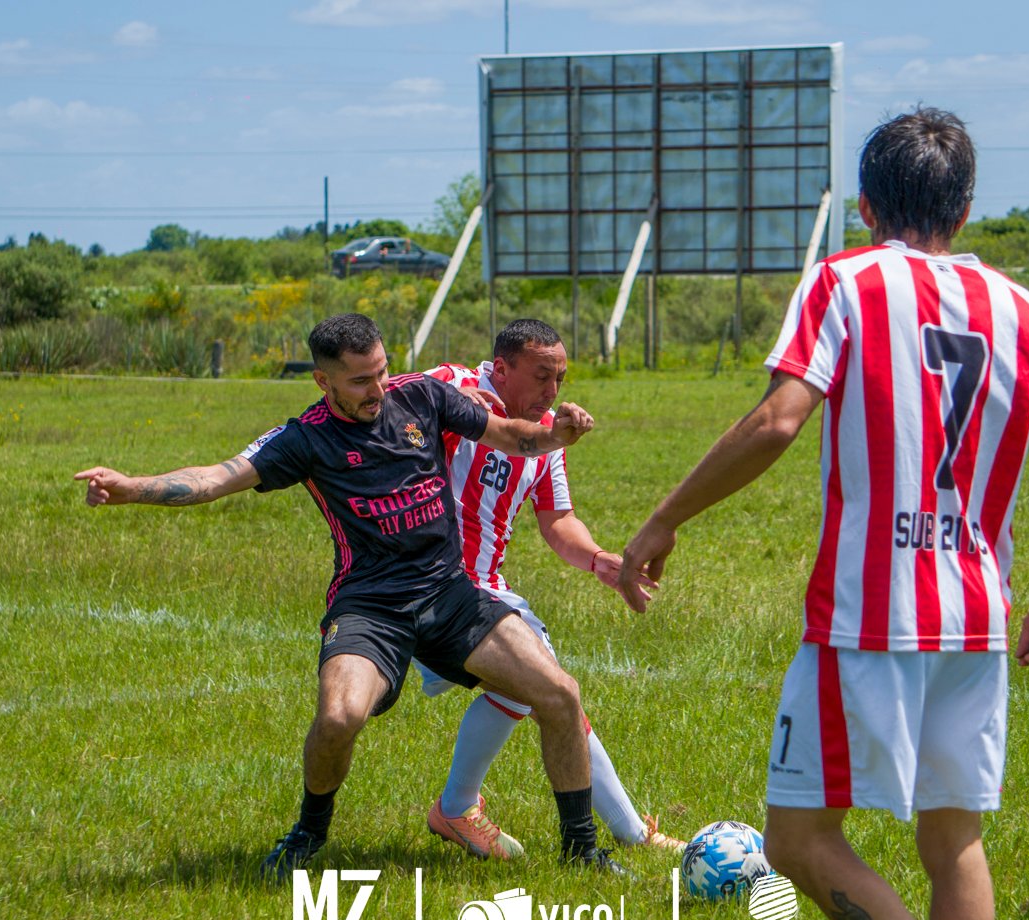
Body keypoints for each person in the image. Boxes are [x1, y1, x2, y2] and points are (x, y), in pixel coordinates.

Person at [618, 109, 1029, 920]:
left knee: (799, 841)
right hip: (976, 615)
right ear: (965, 208)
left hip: (870, 616)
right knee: (953, 839)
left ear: (866, 206)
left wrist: (665, 518)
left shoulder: (845, 282)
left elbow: (778, 421)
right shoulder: (1025, 311)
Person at [75, 312, 622, 879]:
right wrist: (131, 489)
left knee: (560, 693)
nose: (377, 390)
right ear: (324, 381)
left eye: (381, 372)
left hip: (449, 594)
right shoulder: (305, 437)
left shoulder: (422, 396)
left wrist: (555, 436)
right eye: (360, 381)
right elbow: (216, 477)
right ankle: (308, 834)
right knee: (339, 718)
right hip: (371, 606)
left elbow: (508, 434)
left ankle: (581, 850)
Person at [415, 319, 686, 861]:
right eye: (542, 376)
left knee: (545, 691)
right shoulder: (455, 383)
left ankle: (628, 831)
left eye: (560, 377)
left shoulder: (546, 435)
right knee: (546, 688)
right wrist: (445, 402)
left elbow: (558, 520)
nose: (553, 390)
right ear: (501, 369)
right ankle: (461, 808)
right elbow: (392, 397)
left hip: (483, 588)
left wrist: (599, 560)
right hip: (428, 583)